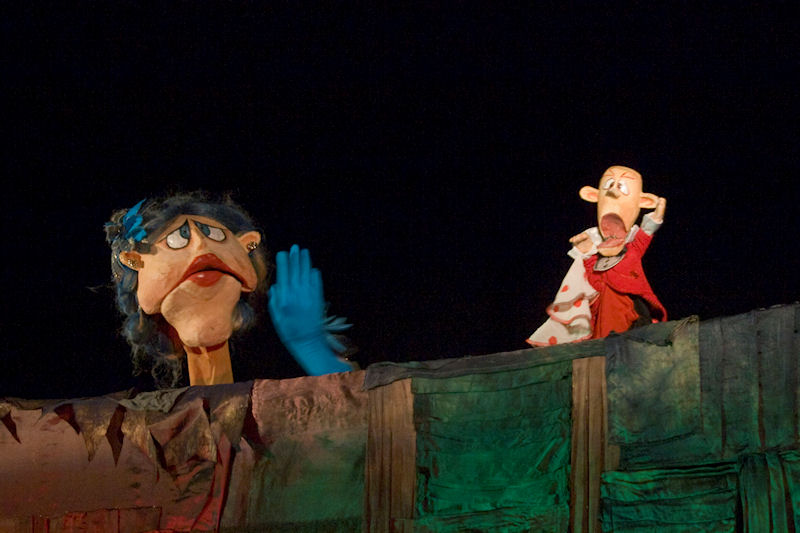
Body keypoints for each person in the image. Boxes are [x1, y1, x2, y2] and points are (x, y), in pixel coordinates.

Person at [105, 192, 353, 388]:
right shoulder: (132, 422)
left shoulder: (278, 400)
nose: (201, 244)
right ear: (135, 262)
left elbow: (363, 421)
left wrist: (316, 352)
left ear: (247, 246)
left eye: (214, 234)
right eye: (177, 239)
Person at [528, 165, 667, 345]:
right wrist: (586, 252)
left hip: (627, 308)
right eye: (609, 185)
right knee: (602, 340)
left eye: (622, 187)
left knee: (621, 339)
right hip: (603, 312)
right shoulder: (596, 253)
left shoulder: (633, 246)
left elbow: (646, 233)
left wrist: (657, 216)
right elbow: (593, 280)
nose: (613, 191)